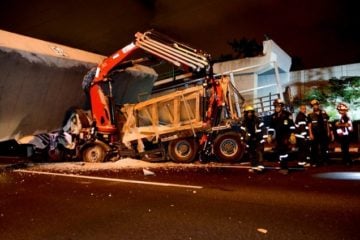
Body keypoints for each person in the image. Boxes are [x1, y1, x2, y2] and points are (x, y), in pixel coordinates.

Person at [268, 99, 296, 174]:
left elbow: (292, 126)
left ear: (282, 107)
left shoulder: (287, 115)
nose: (276, 108)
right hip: (278, 138)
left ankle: (285, 168)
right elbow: (271, 127)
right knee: (280, 152)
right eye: (275, 106)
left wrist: (292, 134)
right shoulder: (274, 116)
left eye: (278, 106)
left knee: (284, 152)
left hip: (285, 137)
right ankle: (282, 166)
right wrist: (269, 135)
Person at [241, 105, 266, 172]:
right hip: (250, 141)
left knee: (259, 153)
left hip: (258, 139)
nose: (250, 114)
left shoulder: (257, 120)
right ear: (246, 113)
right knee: (252, 154)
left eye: (251, 112)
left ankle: (260, 167)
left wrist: (263, 137)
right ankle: (254, 167)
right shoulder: (244, 122)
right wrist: (242, 139)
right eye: (248, 112)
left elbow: (263, 129)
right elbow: (242, 131)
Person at [307, 99, 332, 166]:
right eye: (314, 105)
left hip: (323, 133)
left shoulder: (324, 113)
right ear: (312, 107)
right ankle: (315, 162)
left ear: (318, 105)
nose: (315, 106)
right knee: (314, 148)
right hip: (315, 133)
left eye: (316, 105)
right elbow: (309, 125)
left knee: (324, 148)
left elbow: (327, 123)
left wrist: (329, 132)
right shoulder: (310, 115)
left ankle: (325, 161)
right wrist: (310, 134)